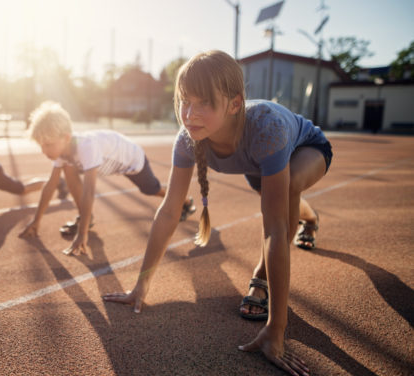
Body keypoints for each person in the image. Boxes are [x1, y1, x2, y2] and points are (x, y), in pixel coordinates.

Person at [103, 50, 332, 376]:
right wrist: (140, 286)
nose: (189, 114)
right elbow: (169, 211)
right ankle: (310, 218)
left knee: (287, 190)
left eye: (203, 103)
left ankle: (261, 276)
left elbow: (275, 230)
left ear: (235, 104)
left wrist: (276, 328)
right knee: (277, 196)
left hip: (306, 149)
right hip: (260, 162)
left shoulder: (267, 129)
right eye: (184, 101)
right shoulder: (187, 140)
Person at [19, 101, 197, 255]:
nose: (44, 151)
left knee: (151, 189)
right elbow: (50, 186)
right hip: (112, 159)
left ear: (66, 138)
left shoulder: (86, 147)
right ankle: (85, 218)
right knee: (68, 167)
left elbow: (89, 192)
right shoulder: (62, 151)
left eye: (48, 145)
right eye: (41, 146)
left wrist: (82, 235)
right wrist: (36, 221)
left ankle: (185, 202)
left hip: (132, 160)